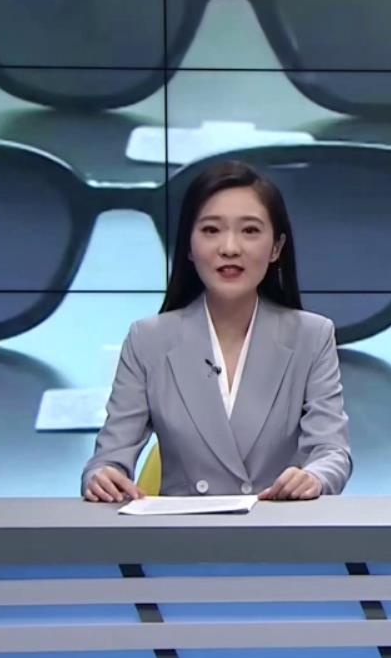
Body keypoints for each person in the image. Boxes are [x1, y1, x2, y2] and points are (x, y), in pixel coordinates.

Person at [81, 160, 352, 503]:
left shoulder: (312, 337)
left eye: (250, 231)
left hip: (277, 525)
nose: (229, 248)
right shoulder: (147, 340)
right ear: (189, 246)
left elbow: (332, 452)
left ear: (276, 248)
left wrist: (314, 477)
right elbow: (109, 458)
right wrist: (102, 477)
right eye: (211, 230)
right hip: (182, 531)